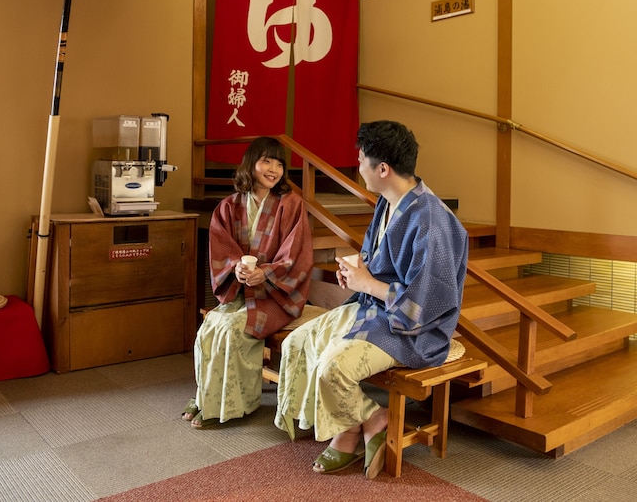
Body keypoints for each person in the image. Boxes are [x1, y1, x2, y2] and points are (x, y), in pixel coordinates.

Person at [273, 120, 469, 479]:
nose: (357, 166)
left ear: (383, 169)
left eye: (361, 159)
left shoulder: (432, 221)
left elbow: (424, 304)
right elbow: (377, 261)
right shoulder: (388, 202)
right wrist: (357, 272)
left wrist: (366, 282)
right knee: (297, 342)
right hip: (376, 307)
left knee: (334, 366)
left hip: (414, 328)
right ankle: (362, 421)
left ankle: (360, 426)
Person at [183, 136, 313, 428]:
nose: (274, 169)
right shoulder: (230, 206)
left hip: (277, 295)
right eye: (266, 161)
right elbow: (221, 250)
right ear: (251, 164)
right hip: (241, 289)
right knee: (208, 329)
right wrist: (237, 270)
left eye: (279, 163)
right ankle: (206, 396)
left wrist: (264, 272)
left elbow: (297, 254)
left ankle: (231, 406)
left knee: (232, 330)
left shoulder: (290, 204)